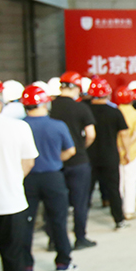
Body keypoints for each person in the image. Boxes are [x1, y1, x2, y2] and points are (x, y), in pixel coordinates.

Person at [0, 77, 45, 271]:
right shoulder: (17, 127)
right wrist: (10, 179)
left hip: (9, 201)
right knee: (12, 254)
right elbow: (28, 162)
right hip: (9, 202)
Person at [21, 84, 78, 271]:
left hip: (27, 178)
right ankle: (63, 262)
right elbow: (70, 150)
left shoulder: (20, 126)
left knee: (25, 223)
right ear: (45, 103)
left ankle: (26, 266)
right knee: (58, 221)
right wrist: (55, 159)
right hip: (53, 177)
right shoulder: (57, 125)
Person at [50, 71, 98, 250]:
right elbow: (91, 134)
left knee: (55, 204)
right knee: (80, 202)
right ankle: (80, 238)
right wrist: (81, 147)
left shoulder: (50, 107)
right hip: (78, 161)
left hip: (56, 162)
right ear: (77, 88)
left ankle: (54, 240)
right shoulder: (81, 108)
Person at [86, 77, 132, 230]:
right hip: (110, 156)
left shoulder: (85, 110)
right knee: (113, 189)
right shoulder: (114, 112)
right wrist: (127, 152)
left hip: (89, 157)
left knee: (86, 191)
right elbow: (124, 134)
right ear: (107, 94)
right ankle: (119, 220)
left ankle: (80, 223)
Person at [114, 85, 136, 221]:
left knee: (118, 182)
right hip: (132, 152)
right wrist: (127, 149)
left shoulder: (114, 112)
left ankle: (118, 208)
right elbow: (135, 134)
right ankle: (129, 210)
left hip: (116, 151)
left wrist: (121, 148)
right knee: (130, 181)